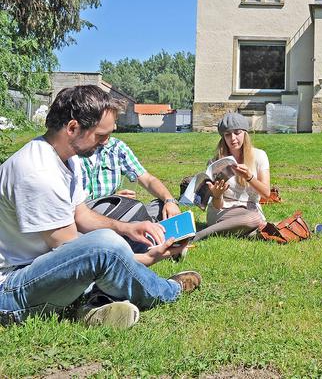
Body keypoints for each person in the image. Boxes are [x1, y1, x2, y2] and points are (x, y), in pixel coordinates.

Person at [0, 86, 201, 329]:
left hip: (38, 269)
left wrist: (127, 228)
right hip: (12, 287)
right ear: (72, 128)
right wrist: (141, 259)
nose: (106, 143)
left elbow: (81, 213)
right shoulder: (38, 172)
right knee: (105, 246)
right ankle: (169, 290)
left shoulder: (66, 157)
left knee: (109, 241)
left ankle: (91, 306)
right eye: (100, 136)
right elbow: (73, 248)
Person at [192, 113, 268, 242]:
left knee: (254, 220)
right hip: (222, 211)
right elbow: (217, 205)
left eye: (237, 133)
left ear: (245, 134)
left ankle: (227, 230)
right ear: (223, 138)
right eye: (227, 135)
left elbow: (266, 193)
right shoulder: (216, 162)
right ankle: (199, 236)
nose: (233, 138)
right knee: (255, 220)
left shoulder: (259, 156)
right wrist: (217, 195)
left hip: (249, 209)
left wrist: (249, 177)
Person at [81, 135, 181, 221]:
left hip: (116, 212)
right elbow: (74, 208)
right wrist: (111, 200)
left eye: (109, 133)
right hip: (85, 216)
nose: (106, 140)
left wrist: (169, 200)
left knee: (161, 206)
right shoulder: (74, 153)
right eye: (101, 134)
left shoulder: (116, 147)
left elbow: (148, 180)